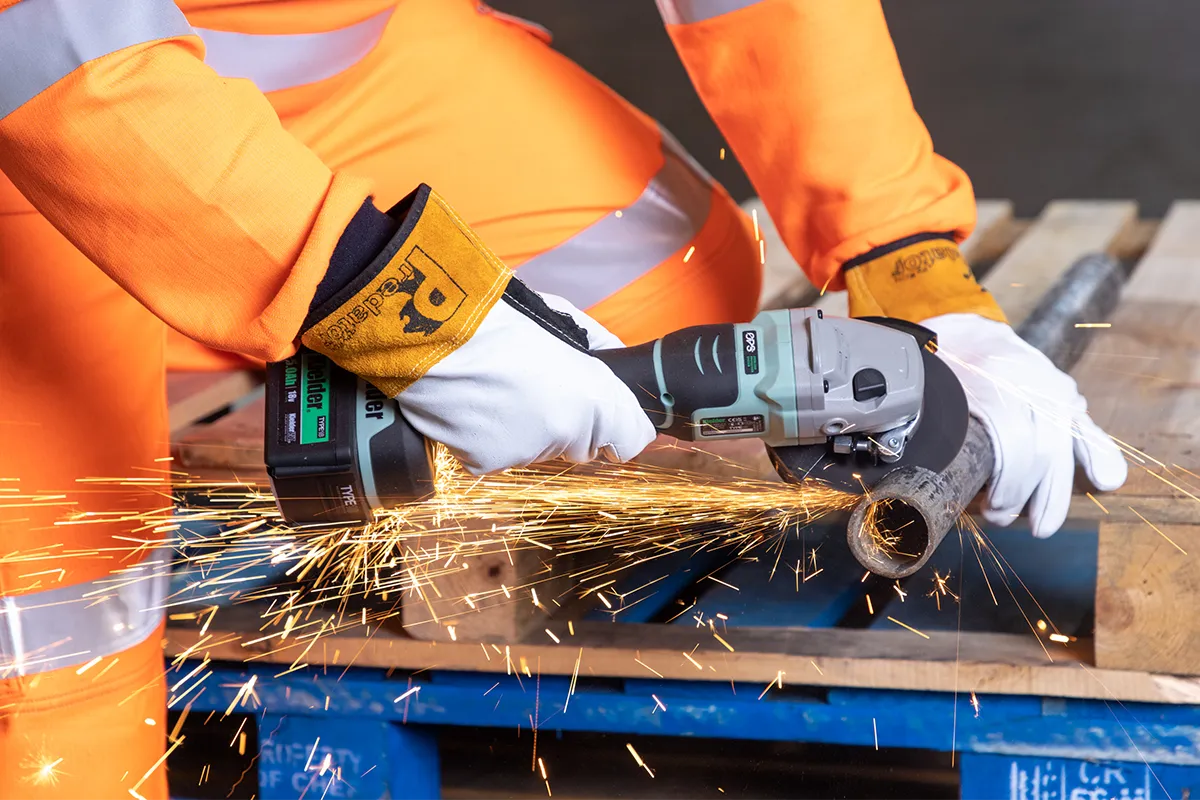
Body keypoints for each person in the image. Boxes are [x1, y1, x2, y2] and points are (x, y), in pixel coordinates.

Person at [0, 1, 1126, 796]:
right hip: (47, 99)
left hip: (314, 59)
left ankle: (232, 307)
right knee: (52, 611)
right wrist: (387, 298)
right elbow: (46, 36)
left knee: (665, 264)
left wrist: (905, 262)